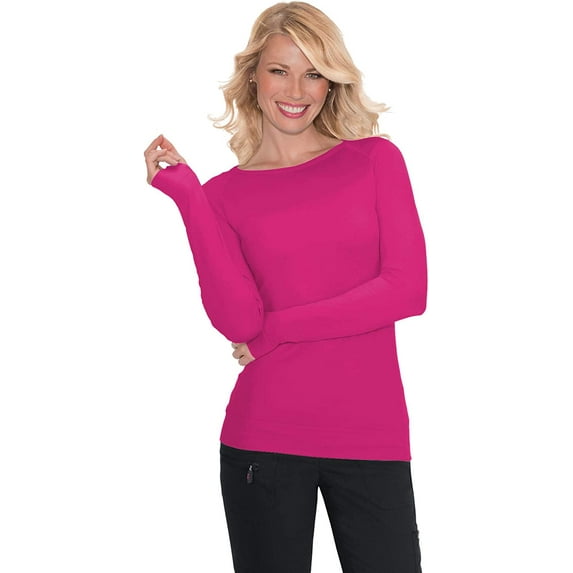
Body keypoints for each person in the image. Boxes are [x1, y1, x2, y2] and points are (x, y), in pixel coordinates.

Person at [143, 2, 427, 572]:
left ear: (331, 82)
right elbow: (237, 323)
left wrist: (276, 332)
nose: (296, 90)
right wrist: (190, 198)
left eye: (313, 73)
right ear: (253, 76)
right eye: (280, 70)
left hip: (371, 436)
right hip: (263, 438)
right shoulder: (223, 195)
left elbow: (406, 290)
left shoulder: (376, 160)